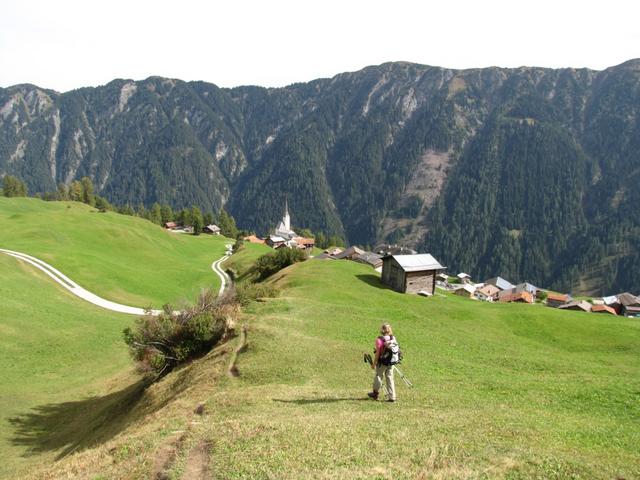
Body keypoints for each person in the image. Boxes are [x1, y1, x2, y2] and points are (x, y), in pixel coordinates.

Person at [367, 323, 397, 402]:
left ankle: (375, 393)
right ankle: (392, 397)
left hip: (382, 362)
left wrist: (374, 364)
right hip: (391, 362)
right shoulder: (393, 338)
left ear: (382, 330)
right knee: (390, 378)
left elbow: (377, 354)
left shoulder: (379, 340)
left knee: (378, 376)